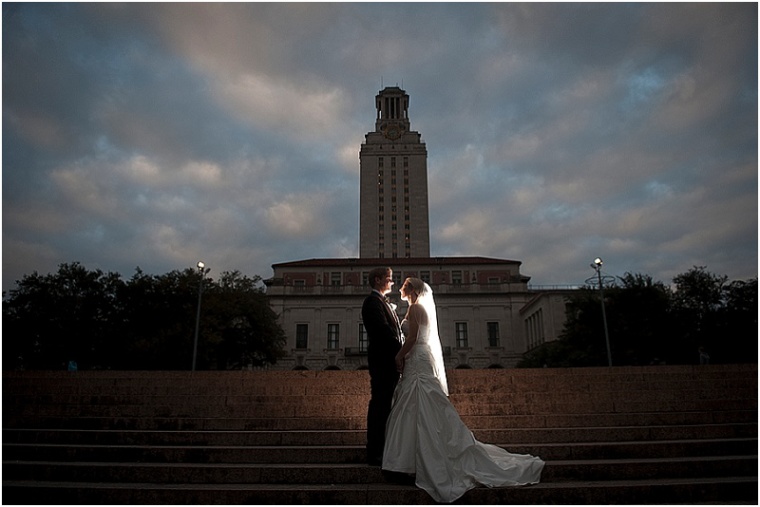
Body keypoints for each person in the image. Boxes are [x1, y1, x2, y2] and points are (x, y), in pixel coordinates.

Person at [382, 277, 545, 503]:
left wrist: (399, 355)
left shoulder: (417, 308)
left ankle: (412, 462)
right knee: (414, 407)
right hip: (416, 361)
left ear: (412, 290)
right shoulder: (414, 308)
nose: (400, 287)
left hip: (417, 359)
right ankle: (408, 461)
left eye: (405, 285)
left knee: (419, 406)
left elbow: (412, 339)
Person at [362, 266, 403, 466]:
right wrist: (401, 352)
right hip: (382, 361)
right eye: (389, 278)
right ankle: (374, 451)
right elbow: (382, 332)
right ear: (378, 280)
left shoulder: (380, 302)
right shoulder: (372, 302)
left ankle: (381, 447)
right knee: (380, 404)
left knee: (384, 404)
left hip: (387, 360)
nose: (392, 282)